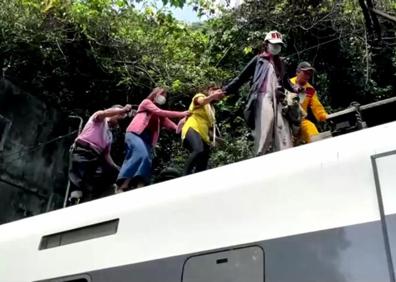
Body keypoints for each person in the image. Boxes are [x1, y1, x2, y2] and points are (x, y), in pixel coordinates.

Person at [223, 30, 293, 155]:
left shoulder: (281, 63)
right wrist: (226, 90)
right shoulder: (258, 60)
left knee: (281, 126)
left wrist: (295, 88)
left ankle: (284, 153)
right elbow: (241, 78)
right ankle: (261, 153)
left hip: (278, 96)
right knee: (267, 122)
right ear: (266, 44)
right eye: (273, 44)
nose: (276, 47)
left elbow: (286, 81)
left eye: (278, 44)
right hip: (263, 95)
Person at [116, 87, 189, 192]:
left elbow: (174, 127)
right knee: (141, 155)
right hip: (135, 133)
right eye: (162, 94)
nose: (163, 97)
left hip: (148, 139)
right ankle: (122, 184)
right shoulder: (146, 102)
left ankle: (139, 184)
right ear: (155, 94)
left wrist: (185, 124)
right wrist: (182, 113)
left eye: (165, 96)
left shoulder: (160, 117)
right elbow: (160, 112)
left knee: (146, 160)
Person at [68, 104, 132, 204]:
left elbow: (106, 155)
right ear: (113, 112)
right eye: (119, 117)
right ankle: (75, 195)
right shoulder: (100, 118)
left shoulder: (109, 135)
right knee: (79, 174)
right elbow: (104, 113)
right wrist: (122, 110)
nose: (119, 122)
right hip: (83, 151)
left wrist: (117, 168)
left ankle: (98, 196)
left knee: (104, 176)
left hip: (96, 158)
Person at [181, 86, 225, 175]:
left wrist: (216, 139)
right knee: (198, 150)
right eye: (217, 91)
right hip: (193, 127)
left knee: (204, 160)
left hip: (204, 135)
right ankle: (184, 176)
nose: (218, 94)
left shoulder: (211, 109)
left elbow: (209, 128)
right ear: (210, 90)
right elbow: (201, 102)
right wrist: (213, 96)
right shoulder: (200, 96)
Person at [289, 61, 328, 143]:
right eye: (305, 73)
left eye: (309, 74)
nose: (308, 76)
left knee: (311, 128)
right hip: (284, 119)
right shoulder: (288, 83)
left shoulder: (310, 90)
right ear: (297, 72)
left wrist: (326, 117)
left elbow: (317, 108)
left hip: (300, 120)